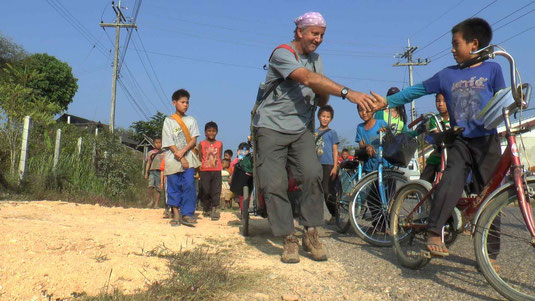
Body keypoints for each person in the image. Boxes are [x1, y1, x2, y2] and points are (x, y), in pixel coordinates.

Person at [252, 11, 378, 264]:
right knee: (274, 184)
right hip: (271, 127)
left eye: (322, 35)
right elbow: (308, 78)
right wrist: (347, 92)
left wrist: (322, 93)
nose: (318, 39)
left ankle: (311, 232)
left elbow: (320, 93)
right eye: (314, 34)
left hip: (301, 130)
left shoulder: (316, 60)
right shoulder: (283, 53)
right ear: (300, 32)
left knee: (311, 175)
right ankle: (288, 237)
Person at [373, 18, 504, 258]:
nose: (452, 49)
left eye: (456, 44)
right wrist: (388, 101)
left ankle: (490, 254)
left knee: (492, 194)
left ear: (474, 44)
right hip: (461, 140)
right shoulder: (447, 75)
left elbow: (502, 99)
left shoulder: (493, 69)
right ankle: (434, 231)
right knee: (451, 179)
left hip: (488, 140)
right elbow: (418, 90)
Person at [162, 89, 201, 227]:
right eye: (182, 102)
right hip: (172, 158)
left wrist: (183, 152)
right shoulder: (168, 121)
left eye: (187, 102)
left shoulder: (191, 120)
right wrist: (178, 154)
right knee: (173, 185)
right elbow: (168, 141)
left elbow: (194, 140)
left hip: (188, 157)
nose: (185, 105)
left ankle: (187, 213)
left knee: (189, 184)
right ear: (174, 103)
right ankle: (175, 213)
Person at [315, 105, 339, 223]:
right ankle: (315, 216)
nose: (325, 119)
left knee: (327, 191)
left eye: (328, 117)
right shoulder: (314, 132)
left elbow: (335, 150)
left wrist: (335, 166)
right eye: (323, 116)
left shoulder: (332, 133)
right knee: (314, 190)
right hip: (315, 164)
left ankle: (334, 214)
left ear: (331, 119)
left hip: (328, 165)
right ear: (319, 117)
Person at [419, 93, 451, 184]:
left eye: (444, 101)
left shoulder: (455, 118)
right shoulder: (435, 119)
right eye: (438, 101)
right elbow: (437, 136)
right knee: (425, 178)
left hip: (452, 153)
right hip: (439, 153)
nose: (440, 104)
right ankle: (422, 190)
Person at [198, 121, 223, 221]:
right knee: (206, 190)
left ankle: (214, 210)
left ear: (216, 132)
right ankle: (206, 208)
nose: (211, 133)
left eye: (213, 131)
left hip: (216, 170)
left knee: (216, 190)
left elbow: (219, 156)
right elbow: (200, 157)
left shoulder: (220, 144)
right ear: (205, 132)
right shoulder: (201, 144)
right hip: (205, 171)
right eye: (209, 131)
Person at [144, 137, 165, 208]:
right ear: (154, 144)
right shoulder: (150, 153)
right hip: (152, 171)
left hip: (160, 172)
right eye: (156, 143)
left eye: (160, 142)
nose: (158, 144)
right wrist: (146, 173)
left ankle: (156, 204)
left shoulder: (164, 153)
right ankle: (152, 200)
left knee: (158, 189)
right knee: (150, 186)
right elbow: (148, 163)